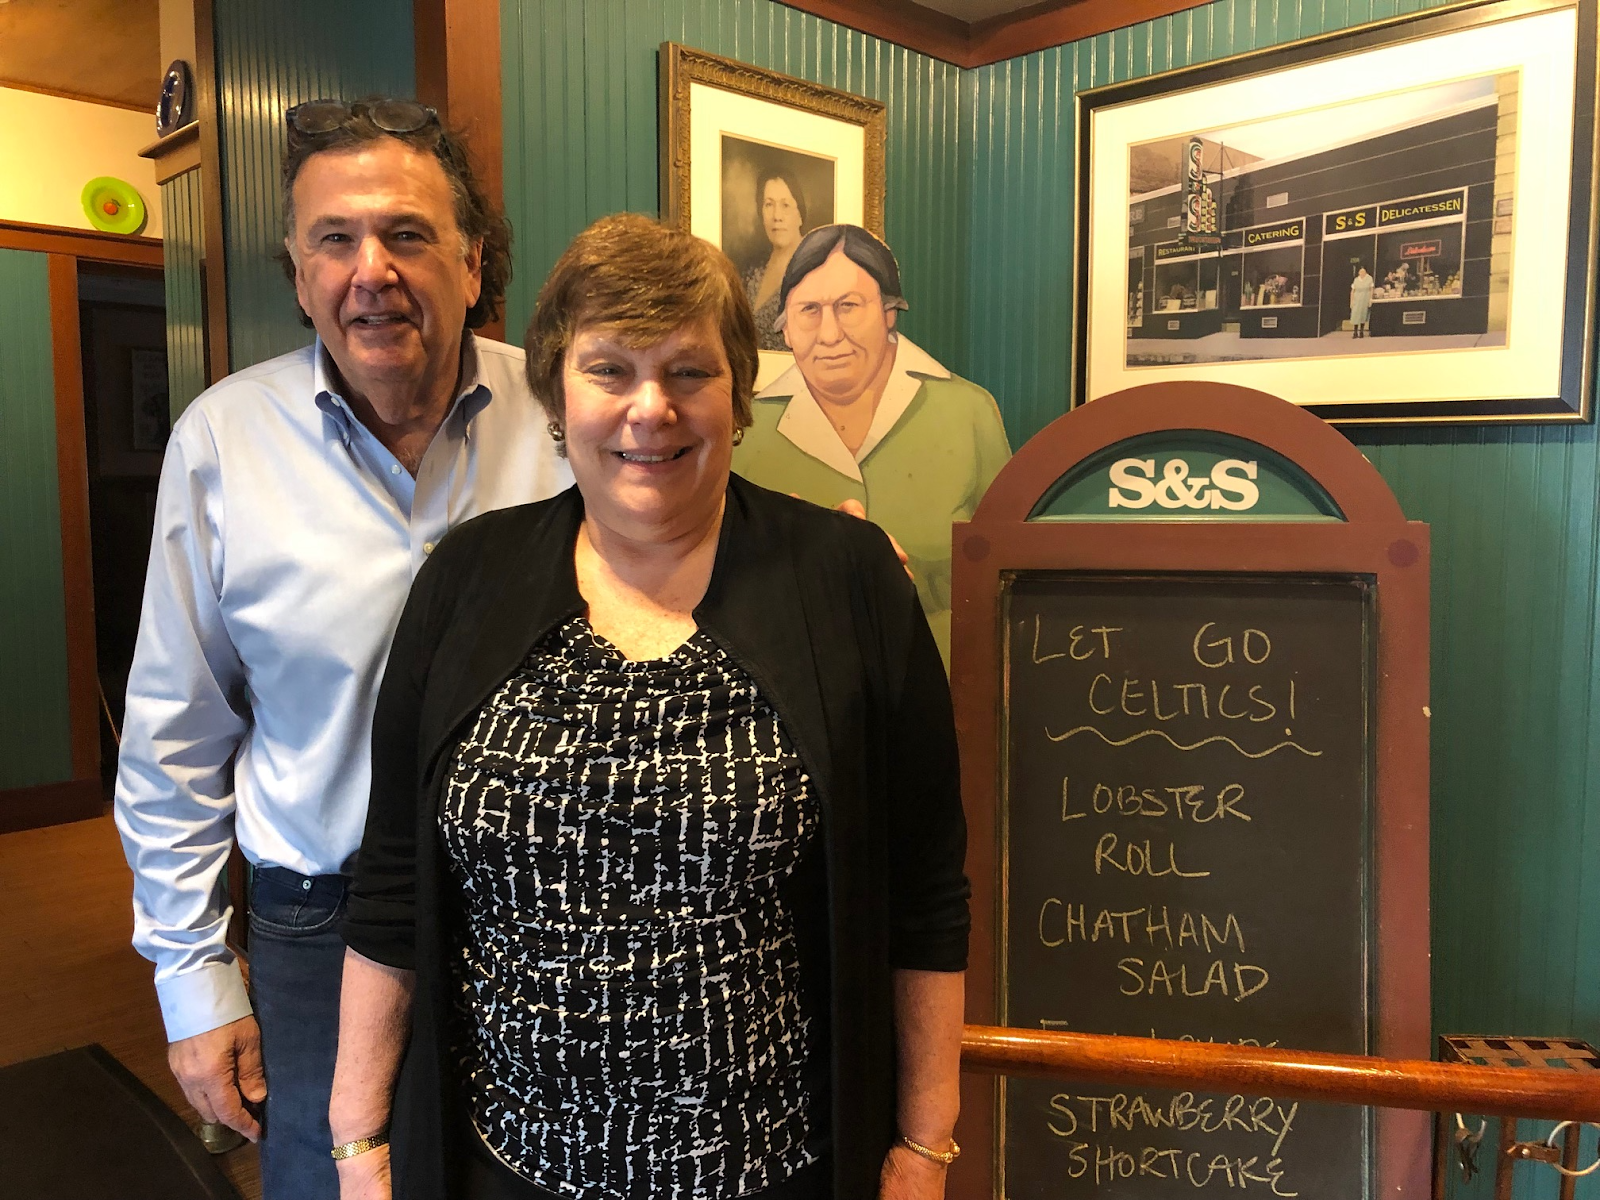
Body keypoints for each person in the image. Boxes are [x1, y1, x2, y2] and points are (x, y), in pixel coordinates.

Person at [330, 213, 970, 1200]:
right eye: (610, 370)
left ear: (739, 392)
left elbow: (926, 893)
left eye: (688, 371)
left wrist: (924, 1144)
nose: (650, 408)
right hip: (504, 1167)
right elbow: (389, 878)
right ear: (555, 390)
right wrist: (357, 1137)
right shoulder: (465, 580)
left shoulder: (847, 583)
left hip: (775, 1170)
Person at [113, 97, 571, 1199]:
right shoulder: (222, 441)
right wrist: (194, 978)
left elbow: (696, 542)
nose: (372, 269)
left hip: (540, 911)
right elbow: (174, 737)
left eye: (408, 235)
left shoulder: (569, 416)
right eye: (335, 239)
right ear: (298, 266)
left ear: (470, 260)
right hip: (317, 923)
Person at [732, 224, 1012, 668]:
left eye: (848, 307)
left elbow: (1009, 568)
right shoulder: (745, 429)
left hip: (945, 682)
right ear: (784, 328)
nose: (829, 334)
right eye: (808, 310)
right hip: (792, 689)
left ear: (888, 312)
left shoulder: (969, 411)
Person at [744, 167, 808, 350]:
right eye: (769, 205)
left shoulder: (814, 269)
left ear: (800, 215)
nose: (776, 217)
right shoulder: (753, 271)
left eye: (785, 205)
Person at [1349, 266, 1374, 338]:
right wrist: (1351, 301)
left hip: (1365, 298)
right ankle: (1355, 332)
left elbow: (1371, 289)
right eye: (1360, 272)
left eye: (1363, 271)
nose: (1362, 273)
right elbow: (1352, 291)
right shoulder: (1356, 280)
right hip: (1357, 299)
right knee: (1355, 315)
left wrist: (1370, 299)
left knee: (1363, 314)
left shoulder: (1369, 278)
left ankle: (1361, 331)